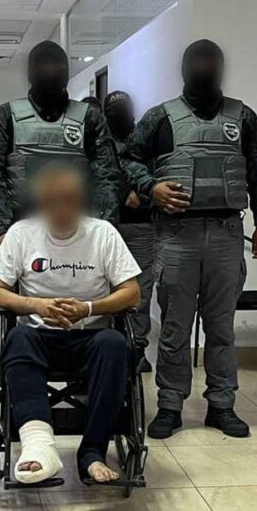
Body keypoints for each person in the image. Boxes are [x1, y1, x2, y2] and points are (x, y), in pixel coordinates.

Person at [122, 40, 257, 440]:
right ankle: (170, 405)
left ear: (222, 67)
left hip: (226, 234)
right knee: (175, 327)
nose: (204, 68)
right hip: (176, 236)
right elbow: (128, 159)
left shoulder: (243, 117)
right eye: (198, 61)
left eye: (211, 62)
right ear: (184, 67)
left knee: (221, 327)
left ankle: (222, 405)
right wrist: (151, 187)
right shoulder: (161, 117)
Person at [0, 163, 141, 485]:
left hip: (91, 336)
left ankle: (93, 454)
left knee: (114, 343)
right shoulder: (22, 233)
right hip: (39, 335)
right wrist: (37, 305)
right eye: (51, 201)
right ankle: (39, 446)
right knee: (18, 338)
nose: (60, 208)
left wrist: (88, 308)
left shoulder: (103, 233)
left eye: (68, 200)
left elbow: (132, 292)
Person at [0, 41, 120, 245]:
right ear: (31, 72)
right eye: (43, 67)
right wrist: (1, 229)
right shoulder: (6, 115)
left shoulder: (90, 118)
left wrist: (103, 228)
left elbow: (107, 176)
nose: (50, 72)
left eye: (56, 67)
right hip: (20, 231)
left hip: (79, 232)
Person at [104, 90, 155, 373]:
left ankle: (137, 348)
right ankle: (109, 345)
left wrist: (143, 194)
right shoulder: (98, 140)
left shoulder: (145, 138)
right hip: (106, 225)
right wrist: (125, 191)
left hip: (141, 225)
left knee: (141, 291)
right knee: (104, 287)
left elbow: (158, 173)